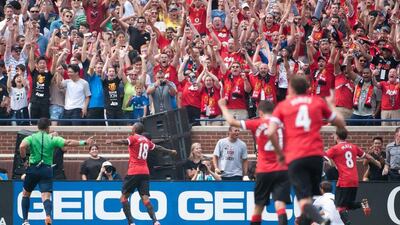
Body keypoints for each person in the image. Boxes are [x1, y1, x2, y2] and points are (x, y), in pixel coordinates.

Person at [266, 76, 346, 225]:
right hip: (316, 156)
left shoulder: (284, 105)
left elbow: (270, 132)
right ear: (307, 89)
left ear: (291, 89)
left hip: (296, 157)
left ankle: (321, 220)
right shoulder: (317, 102)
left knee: (304, 201)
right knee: (313, 198)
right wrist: (331, 105)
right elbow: (341, 123)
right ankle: (317, 220)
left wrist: (279, 154)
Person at [219, 99, 290, 225]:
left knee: (259, 206)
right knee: (280, 204)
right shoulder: (283, 124)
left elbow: (231, 122)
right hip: (282, 169)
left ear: (260, 112)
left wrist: (223, 106)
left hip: (264, 170)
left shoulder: (257, 123)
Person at [19, 117, 94, 225]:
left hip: (33, 168)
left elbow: (22, 146)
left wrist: (24, 160)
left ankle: (25, 221)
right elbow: (68, 142)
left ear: (38, 127)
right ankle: (48, 216)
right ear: (48, 127)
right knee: (46, 196)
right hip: (46, 169)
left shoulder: (32, 137)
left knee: (26, 194)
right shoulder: (52, 139)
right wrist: (84, 143)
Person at [106, 122, 177, 225]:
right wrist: (170, 151)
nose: (131, 129)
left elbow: (124, 141)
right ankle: (155, 221)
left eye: (132, 127)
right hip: (145, 172)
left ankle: (131, 223)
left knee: (123, 198)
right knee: (145, 198)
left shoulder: (133, 137)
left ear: (134, 129)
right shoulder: (146, 140)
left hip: (134, 171)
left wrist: (112, 141)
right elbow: (158, 148)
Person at [325, 128, 373, 225]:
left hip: (344, 181)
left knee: (339, 207)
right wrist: (377, 163)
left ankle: (348, 223)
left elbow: (323, 156)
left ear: (337, 137)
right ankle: (362, 204)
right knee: (348, 205)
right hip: (354, 180)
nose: (333, 137)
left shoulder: (335, 148)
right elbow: (367, 156)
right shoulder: (353, 146)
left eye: (334, 135)